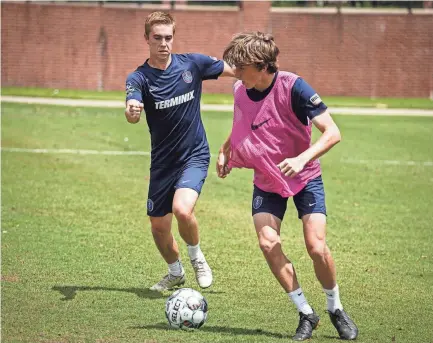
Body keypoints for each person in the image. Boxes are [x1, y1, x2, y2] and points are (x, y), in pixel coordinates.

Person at [217, 32, 358, 341]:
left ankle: (335, 308)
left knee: (316, 247)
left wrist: (302, 158)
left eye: (240, 67)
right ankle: (306, 313)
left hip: (304, 176)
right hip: (266, 180)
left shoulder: (294, 87)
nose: (235, 73)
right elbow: (242, 123)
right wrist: (226, 148)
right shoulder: (241, 88)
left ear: (258, 65)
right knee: (268, 243)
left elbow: (332, 132)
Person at [124, 11, 234, 292]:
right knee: (159, 228)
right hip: (162, 163)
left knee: (182, 210)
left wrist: (266, 71)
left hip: (194, 156)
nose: (164, 44)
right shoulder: (139, 78)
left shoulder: (193, 64)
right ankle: (175, 272)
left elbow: (235, 70)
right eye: (157, 38)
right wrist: (133, 111)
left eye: (168, 38)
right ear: (147, 38)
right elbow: (132, 109)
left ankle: (197, 259)